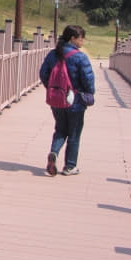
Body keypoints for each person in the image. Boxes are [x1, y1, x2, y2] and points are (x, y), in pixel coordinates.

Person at [39, 25, 95, 176]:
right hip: (75, 100)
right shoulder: (80, 57)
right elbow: (88, 79)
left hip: (57, 100)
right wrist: (89, 94)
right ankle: (70, 166)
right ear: (73, 38)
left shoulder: (53, 54)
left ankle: (54, 152)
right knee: (74, 134)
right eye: (81, 38)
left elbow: (43, 74)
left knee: (60, 129)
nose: (83, 41)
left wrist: (53, 89)